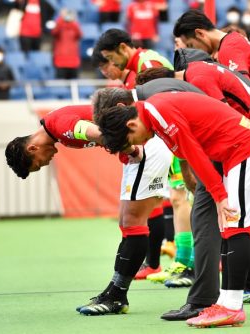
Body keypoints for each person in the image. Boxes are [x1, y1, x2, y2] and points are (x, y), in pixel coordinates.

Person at [97, 91, 250, 328]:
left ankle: (232, 306)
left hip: (246, 148)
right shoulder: (152, 114)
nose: (138, 144)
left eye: (133, 139)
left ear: (131, 123)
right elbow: (187, 150)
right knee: (229, 226)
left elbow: (193, 153)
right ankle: (226, 303)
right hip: (236, 152)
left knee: (234, 223)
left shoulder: (158, 112)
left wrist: (219, 195)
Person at [136, 53, 250, 304]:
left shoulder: (196, 80)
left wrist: (217, 191)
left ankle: (241, 293)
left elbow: (211, 128)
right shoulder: (194, 78)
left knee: (240, 218)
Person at [5, 104, 172, 316]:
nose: (45, 164)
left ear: (32, 149)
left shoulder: (59, 126)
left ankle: (117, 296)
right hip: (143, 145)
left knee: (133, 222)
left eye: (38, 164)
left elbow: (102, 133)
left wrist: (131, 150)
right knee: (127, 222)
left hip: (146, 146)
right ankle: (115, 292)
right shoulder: (57, 128)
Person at [94, 28, 196, 283]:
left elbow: (163, 105)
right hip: (168, 133)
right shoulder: (139, 65)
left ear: (122, 48)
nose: (110, 65)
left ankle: (186, 261)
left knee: (180, 196)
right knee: (174, 197)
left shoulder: (147, 63)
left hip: (171, 132)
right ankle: (179, 260)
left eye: (110, 58)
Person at [173, 9, 250, 124]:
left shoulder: (230, 48)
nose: (194, 50)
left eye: (191, 45)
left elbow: (244, 96)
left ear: (200, 34)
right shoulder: (232, 41)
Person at [51, 8, 82, 79]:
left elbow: (80, 34)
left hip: (73, 61)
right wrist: (61, 18)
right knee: (61, 86)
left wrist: (73, 21)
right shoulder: (60, 25)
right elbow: (54, 32)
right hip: (61, 61)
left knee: (74, 85)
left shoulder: (74, 26)